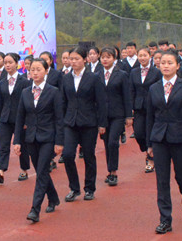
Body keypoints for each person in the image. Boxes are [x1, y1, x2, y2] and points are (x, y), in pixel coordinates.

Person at [146, 49, 182, 234]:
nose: (166, 66)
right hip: (159, 138)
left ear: (178, 66)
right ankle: (165, 219)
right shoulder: (153, 88)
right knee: (162, 180)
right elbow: (149, 118)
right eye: (163, 63)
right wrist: (149, 144)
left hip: (181, 138)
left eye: (170, 63)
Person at [13, 59, 64, 223]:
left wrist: (59, 142)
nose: (34, 72)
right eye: (32, 69)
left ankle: (35, 209)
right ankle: (54, 197)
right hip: (30, 139)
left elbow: (59, 119)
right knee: (41, 170)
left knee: (41, 171)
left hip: (48, 137)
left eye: (38, 69)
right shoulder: (25, 92)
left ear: (46, 71)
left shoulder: (54, 92)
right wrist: (17, 141)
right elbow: (20, 117)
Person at [60, 46, 108, 201]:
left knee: (88, 155)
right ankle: (74, 188)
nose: (73, 62)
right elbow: (62, 101)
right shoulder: (66, 78)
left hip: (89, 122)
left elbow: (101, 102)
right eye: (70, 59)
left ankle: (89, 188)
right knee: (67, 155)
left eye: (76, 59)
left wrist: (102, 123)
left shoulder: (94, 78)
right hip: (70, 122)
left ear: (85, 60)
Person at [0, 53, 32, 183]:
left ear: (16, 64)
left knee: (22, 146)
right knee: (3, 145)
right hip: (4, 119)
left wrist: (27, 121)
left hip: (20, 120)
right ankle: (1, 171)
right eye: (6, 62)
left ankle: (24, 169)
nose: (7, 65)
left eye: (10, 62)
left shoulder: (25, 82)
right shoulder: (1, 82)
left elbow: (28, 103)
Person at [99, 47, 132, 186]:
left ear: (114, 58)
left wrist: (128, 115)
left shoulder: (122, 74)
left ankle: (114, 172)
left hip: (118, 114)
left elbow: (127, 95)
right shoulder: (96, 74)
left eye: (108, 57)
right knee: (106, 143)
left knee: (113, 142)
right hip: (102, 115)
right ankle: (109, 169)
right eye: (103, 57)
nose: (105, 59)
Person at [131, 47, 161, 173]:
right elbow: (131, 90)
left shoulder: (156, 72)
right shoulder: (134, 72)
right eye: (140, 55)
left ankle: (151, 158)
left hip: (153, 107)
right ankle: (146, 150)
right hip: (139, 107)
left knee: (150, 132)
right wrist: (131, 107)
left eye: (145, 55)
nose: (142, 58)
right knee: (138, 133)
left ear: (150, 56)